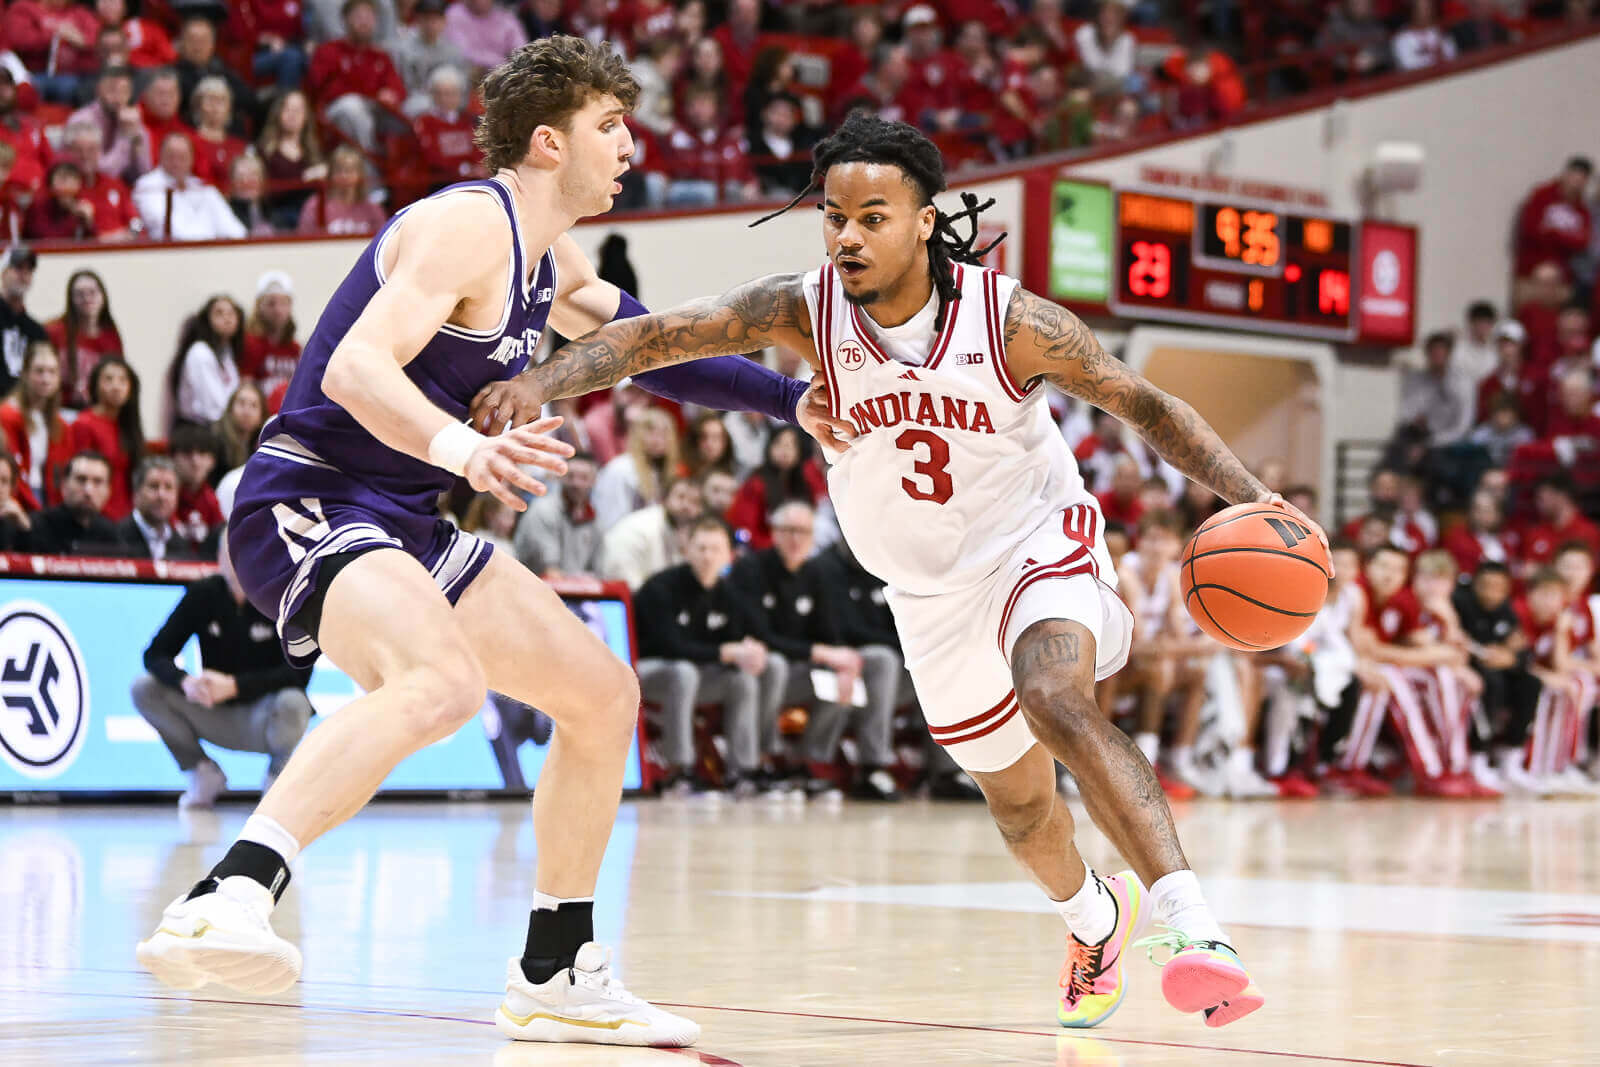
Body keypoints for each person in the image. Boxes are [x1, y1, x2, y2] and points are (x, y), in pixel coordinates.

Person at [474, 112, 1335, 1030]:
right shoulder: (803, 308)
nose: (847, 237)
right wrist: (539, 381)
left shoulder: (1011, 321)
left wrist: (1258, 500)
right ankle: (1095, 920)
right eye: (834, 218)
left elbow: (1147, 405)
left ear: (925, 221)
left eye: (873, 218)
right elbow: (654, 340)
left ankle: (1195, 927)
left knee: (1054, 695)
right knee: (1020, 811)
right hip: (926, 593)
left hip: (1035, 538)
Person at [136, 36, 838, 1048]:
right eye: (610, 126)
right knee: (441, 682)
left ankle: (555, 968)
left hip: (405, 516)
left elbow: (645, 347)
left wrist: (787, 400)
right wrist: (465, 450)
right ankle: (229, 892)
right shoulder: (468, 225)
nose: (629, 145)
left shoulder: (550, 258)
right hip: (310, 493)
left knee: (602, 697)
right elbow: (354, 369)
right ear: (549, 142)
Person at [728, 499, 900, 800]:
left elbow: (831, 631)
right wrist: (823, 654)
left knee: (846, 673)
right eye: (789, 530)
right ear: (774, 532)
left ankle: (812, 763)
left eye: (803, 532)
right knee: (776, 664)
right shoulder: (751, 569)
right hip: (762, 670)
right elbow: (761, 636)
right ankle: (765, 760)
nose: (796, 539)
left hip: (802, 670)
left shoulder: (818, 572)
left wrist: (843, 662)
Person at [132, 539, 314, 807]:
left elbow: (299, 673)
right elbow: (155, 653)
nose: (238, 559)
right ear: (218, 558)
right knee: (144, 688)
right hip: (211, 709)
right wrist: (186, 682)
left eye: (245, 547)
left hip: (264, 716)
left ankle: (278, 778)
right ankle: (201, 771)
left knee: (295, 702)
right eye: (230, 551)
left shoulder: (282, 597)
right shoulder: (203, 594)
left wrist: (235, 685)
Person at [632, 515, 785, 796]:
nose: (707, 556)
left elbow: (753, 634)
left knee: (742, 680)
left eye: (715, 549)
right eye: (701, 548)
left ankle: (743, 769)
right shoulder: (661, 587)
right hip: (647, 672)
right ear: (687, 550)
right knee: (684, 672)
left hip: (697, 675)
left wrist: (753, 650)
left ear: (729, 556)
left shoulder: (730, 593)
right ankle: (679, 769)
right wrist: (727, 652)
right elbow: (671, 646)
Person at [133, 131, 249, 241]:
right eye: (171, 156)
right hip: (172, 251)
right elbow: (169, 230)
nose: (176, 163)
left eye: (182, 157)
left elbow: (235, 231)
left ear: (192, 159)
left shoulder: (205, 189)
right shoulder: (147, 187)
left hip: (208, 249)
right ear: (160, 156)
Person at [67, 357, 142, 521]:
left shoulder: (129, 425)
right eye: (108, 379)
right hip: (96, 514)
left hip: (127, 515)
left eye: (122, 380)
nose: (116, 386)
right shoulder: (84, 423)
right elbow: (80, 475)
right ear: (95, 385)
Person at [598, 473, 703, 590]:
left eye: (694, 501)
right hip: (621, 587)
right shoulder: (645, 525)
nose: (686, 505)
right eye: (681, 497)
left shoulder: (684, 531)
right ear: (665, 499)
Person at [0, 342, 72, 509]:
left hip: (48, 498)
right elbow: (12, 469)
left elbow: (61, 474)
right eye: (39, 371)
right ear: (25, 373)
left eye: (52, 372)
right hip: (17, 497)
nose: (46, 379)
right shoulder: (7, 415)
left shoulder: (60, 425)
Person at [513, 450, 600, 577]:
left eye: (583, 478)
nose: (576, 483)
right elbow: (550, 572)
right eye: (570, 476)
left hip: (572, 587)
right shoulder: (543, 510)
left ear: (594, 481)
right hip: (534, 585)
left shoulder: (593, 517)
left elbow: (599, 570)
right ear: (560, 477)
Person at [46, 269, 123, 408]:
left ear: (103, 296)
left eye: (92, 292)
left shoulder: (111, 337)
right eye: (80, 294)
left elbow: (118, 377)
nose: (87, 298)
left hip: (98, 409)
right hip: (59, 408)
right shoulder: (55, 331)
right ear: (71, 299)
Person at [169, 295, 244, 427]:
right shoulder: (200, 352)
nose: (227, 319)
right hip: (198, 429)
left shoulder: (227, 353)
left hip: (222, 425)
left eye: (231, 313)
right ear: (207, 320)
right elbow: (212, 408)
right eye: (219, 313)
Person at [26, 450, 118, 553]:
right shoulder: (36, 526)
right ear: (64, 485)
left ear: (108, 490)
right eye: (81, 480)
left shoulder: (112, 536)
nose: (88, 491)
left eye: (97, 482)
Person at [115, 456, 197, 560]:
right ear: (136, 493)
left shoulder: (182, 545)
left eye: (168, 487)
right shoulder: (116, 537)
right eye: (154, 486)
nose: (161, 495)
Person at [296, 144, 387, 236]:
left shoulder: (372, 208)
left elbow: (383, 239)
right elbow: (304, 239)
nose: (344, 176)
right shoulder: (315, 205)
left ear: (360, 175)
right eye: (339, 170)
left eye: (350, 170)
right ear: (330, 174)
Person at [239, 271, 302, 399]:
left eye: (283, 303)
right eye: (271, 304)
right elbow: (245, 387)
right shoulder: (250, 343)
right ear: (259, 306)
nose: (278, 310)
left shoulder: (295, 348)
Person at [0, 245, 45, 397]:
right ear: (3, 273)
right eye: (18, 268)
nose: (24, 274)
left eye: (29, 270)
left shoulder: (36, 331)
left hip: (24, 404)